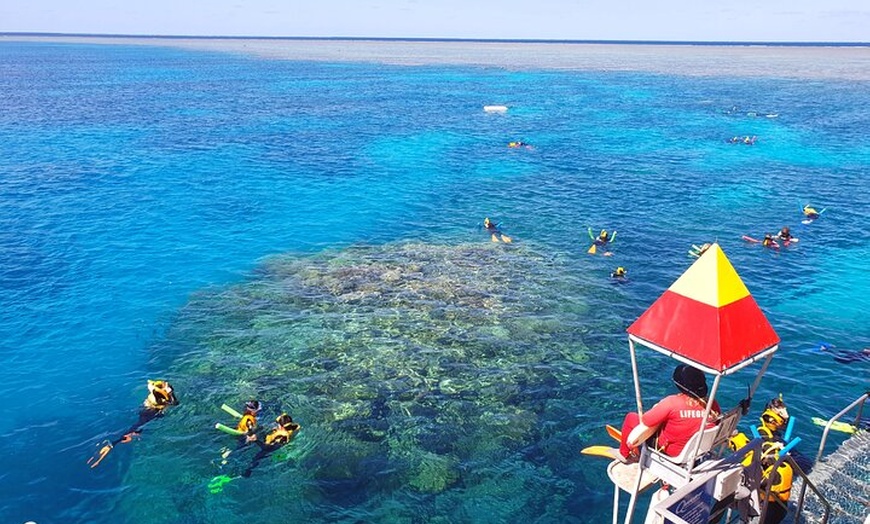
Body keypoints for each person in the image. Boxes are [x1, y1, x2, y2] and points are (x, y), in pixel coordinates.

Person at [617, 364, 721, 461]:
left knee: (631, 417)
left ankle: (625, 454)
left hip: (671, 452)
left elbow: (646, 420)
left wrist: (657, 407)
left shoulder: (672, 402)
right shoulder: (712, 404)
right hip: (697, 451)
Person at [88, 380, 179, 468]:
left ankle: (112, 444)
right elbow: (174, 403)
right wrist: (170, 392)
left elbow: (170, 400)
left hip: (147, 412)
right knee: (136, 429)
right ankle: (112, 445)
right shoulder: (160, 396)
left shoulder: (158, 395)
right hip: (150, 413)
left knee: (136, 428)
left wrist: (168, 391)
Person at [241, 413, 301, 478]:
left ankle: (248, 472)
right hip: (272, 438)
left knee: (257, 458)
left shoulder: (282, 437)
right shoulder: (292, 427)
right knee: (261, 429)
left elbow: (267, 448)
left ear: (282, 427)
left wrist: (256, 441)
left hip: (273, 448)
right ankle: (249, 431)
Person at [759, 441, 793, 524]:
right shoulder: (785, 465)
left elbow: (759, 485)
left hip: (772, 509)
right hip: (782, 505)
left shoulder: (773, 473)